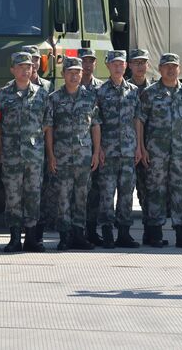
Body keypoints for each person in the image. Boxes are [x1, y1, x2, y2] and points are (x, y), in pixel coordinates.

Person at [137, 53, 182, 248]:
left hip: (181, 153)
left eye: (174, 66)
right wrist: (141, 147)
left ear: (179, 69)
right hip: (156, 152)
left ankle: (181, 233)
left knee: (180, 192)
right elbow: (140, 120)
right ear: (160, 69)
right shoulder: (150, 93)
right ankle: (155, 233)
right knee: (156, 191)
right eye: (166, 67)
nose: (171, 70)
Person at [44, 56, 101, 251]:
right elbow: (49, 128)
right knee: (63, 197)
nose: (75, 76)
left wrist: (96, 151)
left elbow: (95, 126)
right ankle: (64, 235)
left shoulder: (90, 97)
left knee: (81, 196)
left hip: (84, 156)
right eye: (70, 72)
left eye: (77, 72)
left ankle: (79, 234)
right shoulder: (54, 98)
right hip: (62, 157)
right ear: (63, 74)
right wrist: (51, 155)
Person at [0, 52, 48, 253]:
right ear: (12, 70)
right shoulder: (4, 94)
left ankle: (32, 238)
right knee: (13, 197)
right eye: (20, 67)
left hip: (34, 156)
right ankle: (14, 238)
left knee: (33, 196)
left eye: (28, 67)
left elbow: (47, 124)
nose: (25, 70)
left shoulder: (42, 94)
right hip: (11, 155)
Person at [95, 50, 141, 248]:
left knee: (126, 193)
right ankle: (106, 233)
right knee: (106, 193)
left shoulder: (133, 91)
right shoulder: (100, 91)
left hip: (129, 150)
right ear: (108, 66)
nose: (118, 67)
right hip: (109, 150)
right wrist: (99, 149)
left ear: (126, 66)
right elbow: (96, 122)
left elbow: (137, 119)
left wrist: (139, 146)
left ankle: (124, 233)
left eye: (121, 64)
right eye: (114, 64)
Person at [127, 48, 161, 245]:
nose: (140, 66)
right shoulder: (123, 88)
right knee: (129, 190)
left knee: (149, 190)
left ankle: (150, 232)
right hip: (125, 148)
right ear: (130, 65)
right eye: (136, 62)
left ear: (148, 66)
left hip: (151, 149)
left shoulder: (156, 90)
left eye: (143, 63)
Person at [21, 45, 53, 245]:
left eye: (34, 60)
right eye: (27, 61)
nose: (32, 64)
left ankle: (36, 234)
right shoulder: (11, 89)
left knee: (39, 192)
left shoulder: (47, 88)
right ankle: (20, 234)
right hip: (17, 151)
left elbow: (49, 124)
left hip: (39, 151)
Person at [78, 47, 104, 246]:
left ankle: (92, 229)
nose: (87, 65)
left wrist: (99, 148)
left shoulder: (101, 89)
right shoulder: (69, 86)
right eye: (83, 61)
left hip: (100, 149)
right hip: (77, 151)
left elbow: (100, 122)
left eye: (90, 61)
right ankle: (77, 231)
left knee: (96, 191)